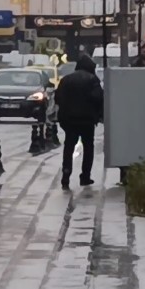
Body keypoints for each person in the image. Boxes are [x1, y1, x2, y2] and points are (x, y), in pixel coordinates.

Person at [54, 55, 104, 191]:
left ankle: (66, 175)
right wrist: (99, 114)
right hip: (87, 120)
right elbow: (98, 97)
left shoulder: (66, 79)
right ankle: (85, 176)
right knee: (88, 148)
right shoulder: (92, 79)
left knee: (69, 147)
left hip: (69, 120)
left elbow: (58, 97)